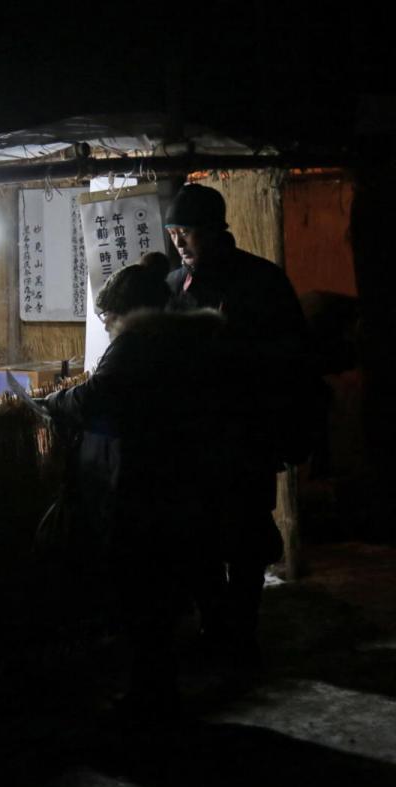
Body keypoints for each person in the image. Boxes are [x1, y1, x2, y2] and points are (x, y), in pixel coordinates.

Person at [44, 259, 231, 719]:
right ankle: (162, 686)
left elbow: (97, 396)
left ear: (125, 313)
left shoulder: (137, 343)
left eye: (108, 318)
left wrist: (53, 403)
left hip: (142, 483)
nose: (106, 326)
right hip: (179, 478)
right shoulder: (189, 338)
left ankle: (151, 696)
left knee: (141, 590)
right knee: (163, 588)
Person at [163, 183, 313, 663]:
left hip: (246, 435)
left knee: (246, 540)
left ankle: (243, 635)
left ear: (214, 230)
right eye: (174, 233)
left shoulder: (261, 281)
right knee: (198, 537)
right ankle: (214, 628)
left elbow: (293, 360)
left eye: (187, 232)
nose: (180, 242)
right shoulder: (173, 287)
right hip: (193, 441)